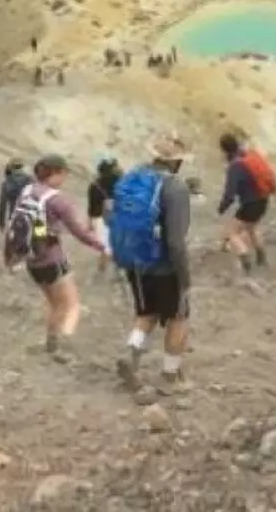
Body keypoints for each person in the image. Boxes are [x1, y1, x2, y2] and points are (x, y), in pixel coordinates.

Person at [3, 155, 106, 361]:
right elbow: (80, 233)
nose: (66, 177)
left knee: (54, 303)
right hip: (53, 259)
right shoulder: (58, 200)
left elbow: (13, 223)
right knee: (71, 304)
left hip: (32, 259)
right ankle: (63, 347)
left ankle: (51, 343)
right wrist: (103, 245)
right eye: (65, 173)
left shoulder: (27, 191)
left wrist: (8, 256)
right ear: (56, 172)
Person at [110, 135, 192, 392]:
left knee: (146, 313)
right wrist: (185, 278)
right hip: (164, 265)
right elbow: (176, 241)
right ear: (177, 162)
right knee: (178, 317)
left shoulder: (132, 177)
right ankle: (170, 376)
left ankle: (132, 350)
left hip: (134, 261)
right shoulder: (175, 187)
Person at [217, 132, 276, 275]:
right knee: (252, 228)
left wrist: (221, 208)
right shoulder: (250, 156)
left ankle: (245, 260)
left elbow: (230, 194)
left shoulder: (235, 166)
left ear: (224, 150)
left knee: (232, 232)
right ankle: (261, 259)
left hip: (251, 203)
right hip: (263, 200)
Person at [88, 157, 123, 276]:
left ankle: (101, 271)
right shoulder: (122, 182)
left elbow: (92, 208)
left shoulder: (95, 185)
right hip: (119, 217)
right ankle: (118, 271)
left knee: (105, 248)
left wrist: (90, 223)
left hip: (100, 219)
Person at [0, 158, 31, 232]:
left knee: (14, 238)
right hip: (29, 215)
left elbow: (2, 205)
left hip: (14, 216)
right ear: (22, 167)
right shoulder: (29, 179)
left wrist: (1, 223)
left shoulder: (6, 183)